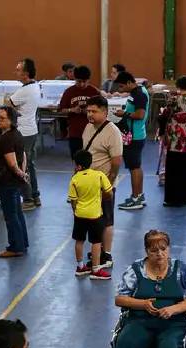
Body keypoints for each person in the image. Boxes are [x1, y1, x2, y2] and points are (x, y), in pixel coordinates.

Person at [83, 96, 124, 268]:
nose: (90, 114)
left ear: (105, 112)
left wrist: (108, 186)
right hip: (89, 184)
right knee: (93, 219)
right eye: (88, 111)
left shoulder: (113, 132)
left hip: (104, 184)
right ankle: (97, 250)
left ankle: (106, 255)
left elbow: (116, 162)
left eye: (94, 111)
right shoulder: (88, 127)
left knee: (106, 220)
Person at [0, 106, 30, 258]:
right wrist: (23, 173)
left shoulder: (6, 139)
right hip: (14, 181)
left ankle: (15, 247)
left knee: (10, 215)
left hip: (7, 181)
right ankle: (22, 243)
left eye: (2, 118)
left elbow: (12, 163)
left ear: (11, 120)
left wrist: (20, 173)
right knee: (17, 213)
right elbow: (23, 155)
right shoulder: (17, 134)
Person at [67, 150, 113, 280]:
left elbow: (73, 200)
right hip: (95, 215)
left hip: (80, 215)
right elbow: (109, 192)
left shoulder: (74, 179)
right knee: (96, 242)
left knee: (79, 240)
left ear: (78, 166)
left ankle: (80, 267)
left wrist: (75, 211)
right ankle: (96, 269)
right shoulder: (99, 175)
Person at [6, 58, 41, 210]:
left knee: (22, 166)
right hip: (31, 130)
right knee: (30, 165)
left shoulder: (24, 90)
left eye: (18, 70)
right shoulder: (34, 86)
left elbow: (8, 104)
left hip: (23, 132)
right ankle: (35, 195)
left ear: (26, 73)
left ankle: (27, 199)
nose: (16, 72)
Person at [112, 71, 149, 211]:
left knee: (134, 167)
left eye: (121, 86)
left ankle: (135, 198)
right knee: (136, 166)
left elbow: (140, 115)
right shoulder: (138, 91)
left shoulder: (139, 94)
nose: (120, 89)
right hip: (136, 134)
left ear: (129, 82)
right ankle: (139, 196)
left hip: (134, 136)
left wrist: (124, 114)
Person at [160, 75, 186, 207]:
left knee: (173, 169)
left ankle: (173, 198)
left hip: (175, 138)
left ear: (178, 86)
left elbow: (165, 114)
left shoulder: (174, 99)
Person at [59, 64, 102, 156]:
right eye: (79, 81)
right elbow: (61, 110)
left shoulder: (94, 92)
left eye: (84, 81)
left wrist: (90, 112)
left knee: (92, 159)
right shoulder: (69, 92)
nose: (82, 84)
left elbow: (102, 111)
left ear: (88, 80)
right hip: (75, 133)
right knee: (76, 159)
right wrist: (72, 110)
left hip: (92, 133)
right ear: (75, 79)